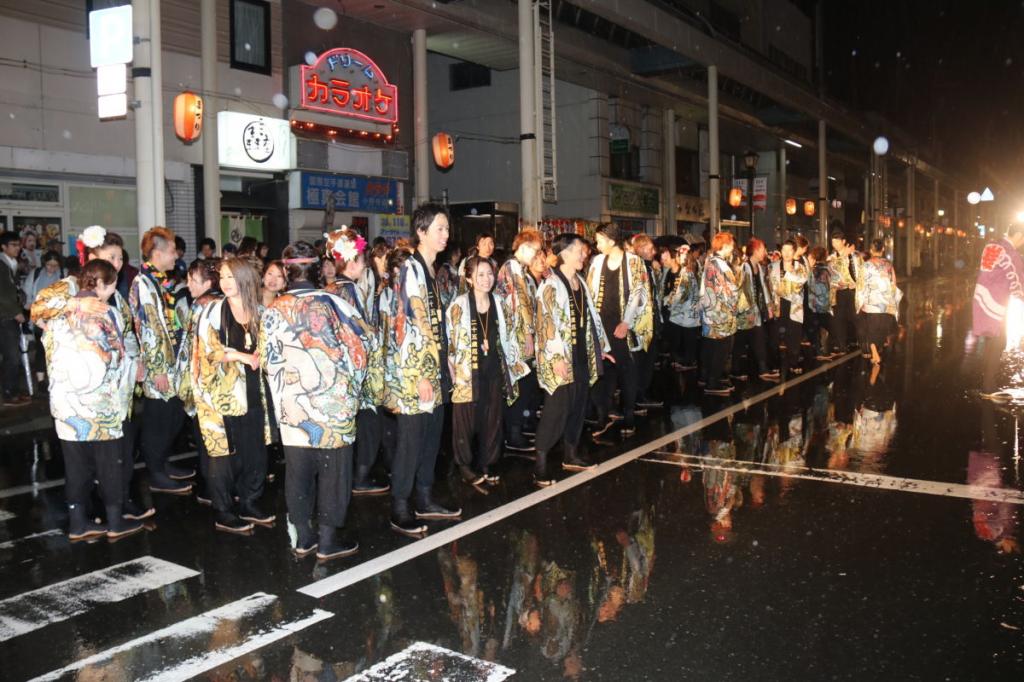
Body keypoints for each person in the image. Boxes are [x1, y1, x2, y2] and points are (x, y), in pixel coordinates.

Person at [32, 225, 153, 521]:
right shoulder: (70, 286)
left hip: (115, 388)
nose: (118, 263)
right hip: (81, 387)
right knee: (86, 456)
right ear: (93, 257)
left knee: (119, 449)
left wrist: (137, 362)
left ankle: (119, 502)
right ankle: (99, 509)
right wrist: (74, 303)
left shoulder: (116, 295)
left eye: (121, 258)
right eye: (111, 256)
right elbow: (37, 310)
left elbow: (126, 334)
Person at [259, 240, 371, 560]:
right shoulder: (334, 303)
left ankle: (303, 537)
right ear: (318, 268)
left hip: (291, 405)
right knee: (333, 470)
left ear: (286, 270)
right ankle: (327, 539)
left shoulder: (273, 309)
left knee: (298, 470)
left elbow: (267, 359)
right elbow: (360, 349)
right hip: (330, 404)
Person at [43, 259, 144, 541]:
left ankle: (78, 523)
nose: (113, 291)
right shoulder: (108, 313)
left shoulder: (58, 313)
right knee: (108, 463)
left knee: (76, 465)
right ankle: (114, 522)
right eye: (112, 285)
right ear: (100, 284)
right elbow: (116, 356)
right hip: (101, 405)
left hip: (66, 405)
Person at [386, 202, 462, 537]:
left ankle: (425, 497)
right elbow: (406, 327)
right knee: (412, 440)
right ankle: (400, 505)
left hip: (434, 365)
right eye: (440, 229)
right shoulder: (410, 270)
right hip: (415, 371)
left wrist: (445, 358)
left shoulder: (430, 270)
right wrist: (420, 375)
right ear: (421, 232)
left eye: (447, 229)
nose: (446, 235)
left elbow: (432, 323)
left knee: (431, 437)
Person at [190, 258, 272, 533]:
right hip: (220, 394)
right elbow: (207, 351)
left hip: (252, 389)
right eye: (222, 277)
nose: (224, 282)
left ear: (245, 279)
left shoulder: (260, 310)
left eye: (230, 277)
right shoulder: (213, 310)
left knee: (254, 449)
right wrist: (243, 356)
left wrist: (263, 355)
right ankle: (223, 510)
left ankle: (250, 500)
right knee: (223, 455)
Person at [534, 233, 612, 485]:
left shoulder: (579, 281)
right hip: (560, 357)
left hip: (580, 353)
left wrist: (599, 346)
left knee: (578, 404)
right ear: (565, 253)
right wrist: (556, 357)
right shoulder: (551, 284)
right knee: (556, 408)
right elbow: (546, 324)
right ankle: (541, 464)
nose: (584, 254)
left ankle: (571, 454)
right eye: (580, 249)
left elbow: (591, 318)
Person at [448, 255, 529, 488]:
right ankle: (464, 464)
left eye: (489, 274)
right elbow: (451, 341)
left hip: (493, 368)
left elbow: (509, 335)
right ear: (470, 278)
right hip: (467, 372)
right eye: (480, 275)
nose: (486, 279)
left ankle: (489, 461)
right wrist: (451, 366)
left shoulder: (499, 302)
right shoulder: (459, 305)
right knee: (465, 420)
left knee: (492, 418)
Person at [324, 228, 390, 496]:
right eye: (363, 260)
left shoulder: (330, 288)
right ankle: (359, 477)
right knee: (370, 426)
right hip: (355, 371)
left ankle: (351, 476)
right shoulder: (350, 290)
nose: (365, 265)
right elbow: (360, 332)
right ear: (352, 262)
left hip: (337, 370)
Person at [130, 226, 193, 494]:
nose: (176, 255)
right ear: (156, 253)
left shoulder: (161, 281)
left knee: (173, 417)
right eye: (171, 250)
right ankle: (155, 473)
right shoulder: (143, 283)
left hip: (171, 363)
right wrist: (156, 369)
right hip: (159, 365)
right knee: (159, 420)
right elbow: (148, 328)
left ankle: (163, 463)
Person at [586, 224, 653, 438]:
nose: (597, 245)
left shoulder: (634, 262)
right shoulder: (597, 262)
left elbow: (639, 293)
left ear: (611, 240)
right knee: (602, 370)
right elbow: (590, 291)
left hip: (623, 324)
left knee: (626, 369)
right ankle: (602, 414)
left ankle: (629, 414)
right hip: (601, 324)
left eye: (599, 240)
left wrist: (626, 322)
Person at [174, 257, 221, 508]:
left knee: (206, 439)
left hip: (201, 381)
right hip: (214, 381)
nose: (188, 284)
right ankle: (216, 488)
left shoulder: (202, 305)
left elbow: (188, 348)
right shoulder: (217, 303)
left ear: (209, 281)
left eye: (194, 280)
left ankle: (210, 487)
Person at [496, 228, 544, 452]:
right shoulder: (512, 268)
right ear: (524, 246)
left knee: (525, 383)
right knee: (519, 384)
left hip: (520, 336)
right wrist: (527, 334)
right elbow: (520, 304)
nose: (536, 256)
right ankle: (513, 433)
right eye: (534, 251)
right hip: (515, 338)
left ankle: (519, 426)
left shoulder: (520, 270)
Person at [972, 223, 1024, 399]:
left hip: (981, 296)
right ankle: (987, 387)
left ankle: (988, 384)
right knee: (998, 342)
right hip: (996, 301)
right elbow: (1018, 282)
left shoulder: (991, 245)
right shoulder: (1010, 253)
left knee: (991, 340)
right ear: (1018, 235)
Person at [732, 238, 779, 382]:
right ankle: (735, 370)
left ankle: (762, 368)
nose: (764, 252)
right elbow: (743, 291)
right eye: (763, 249)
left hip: (755, 311)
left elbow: (762, 289)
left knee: (757, 339)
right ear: (756, 250)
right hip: (745, 312)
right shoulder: (745, 267)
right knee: (740, 341)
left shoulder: (758, 267)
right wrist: (750, 309)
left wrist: (768, 306)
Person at [700, 232, 740, 396]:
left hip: (710, 312)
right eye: (730, 244)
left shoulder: (711, 262)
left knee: (711, 348)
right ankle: (713, 382)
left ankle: (708, 377)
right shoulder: (720, 265)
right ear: (724, 246)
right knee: (721, 349)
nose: (732, 247)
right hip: (720, 314)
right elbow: (729, 291)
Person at [630, 233, 664, 409]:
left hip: (652, 321)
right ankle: (638, 395)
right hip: (640, 324)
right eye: (650, 249)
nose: (654, 252)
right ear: (641, 249)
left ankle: (642, 393)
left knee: (648, 361)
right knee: (641, 362)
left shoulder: (649, 268)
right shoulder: (635, 268)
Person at [23, 250, 64, 387]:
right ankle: (41, 381)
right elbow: (27, 293)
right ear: (44, 263)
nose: (52, 268)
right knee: (41, 348)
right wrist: (29, 305)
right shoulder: (35, 274)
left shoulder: (62, 276)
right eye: (49, 265)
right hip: (39, 317)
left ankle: (56, 377)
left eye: (55, 265)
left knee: (57, 349)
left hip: (57, 318)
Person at [768, 239, 808, 374]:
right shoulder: (773, 266)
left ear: (794, 251)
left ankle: (793, 362)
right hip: (777, 304)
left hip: (794, 305)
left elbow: (800, 284)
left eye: (789, 250)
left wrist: (789, 275)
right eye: (784, 250)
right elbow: (770, 286)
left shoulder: (799, 267)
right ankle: (773, 364)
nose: (786, 253)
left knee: (794, 335)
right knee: (774, 336)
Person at [856, 239, 899, 366]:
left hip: (871, 302)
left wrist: (859, 302)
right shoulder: (888, 265)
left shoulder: (865, 265)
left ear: (871, 250)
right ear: (883, 250)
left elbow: (860, 285)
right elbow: (894, 283)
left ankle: (875, 353)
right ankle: (876, 352)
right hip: (885, 302)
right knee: (882, 328)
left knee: (872, 329)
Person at [0, 231, 28, 407]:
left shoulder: (10, 264)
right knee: (12, 356)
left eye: (18, 245)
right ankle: (9, 393)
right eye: (13, 245)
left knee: (13, 355)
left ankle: (14, 390)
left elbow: (14, 289)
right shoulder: (2, 265)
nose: (17, 248)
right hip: (5, 316)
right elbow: (3, 294)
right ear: (4, 247)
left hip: (9, 315)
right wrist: (15, 311)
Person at [829, 230, 863, 353]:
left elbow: (862, 271)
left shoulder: (856, 255)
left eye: (837, 241)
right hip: (839, 291)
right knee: (839, 319)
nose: (834, 244)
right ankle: (842, 345)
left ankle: (864, 343)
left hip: (853, 291)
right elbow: (833, 269)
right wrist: (844, 255)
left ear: (843, 241)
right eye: (833, 242)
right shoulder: (832, 257)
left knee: (857, 318)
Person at [807, 245, 838, 360]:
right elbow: (836, 279)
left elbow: (809, 285)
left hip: (813, 304)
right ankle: (835, 346)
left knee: (815, 329)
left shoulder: (812, 270)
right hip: (825, 303)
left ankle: (818, 350)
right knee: (831, 325)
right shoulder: (828, 269)